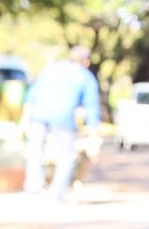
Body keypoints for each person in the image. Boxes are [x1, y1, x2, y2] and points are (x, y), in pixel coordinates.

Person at [21, 45, 101, 199]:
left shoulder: (51, 69)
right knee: (67, 156)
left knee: (35, 150)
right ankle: (56, 193)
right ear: (86, 62)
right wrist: (94, 135)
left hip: (39, 115)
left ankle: (33, 188)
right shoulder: (85, 76)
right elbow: (92, 108)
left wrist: (24, 120)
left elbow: (31, 95)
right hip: (63, 118)